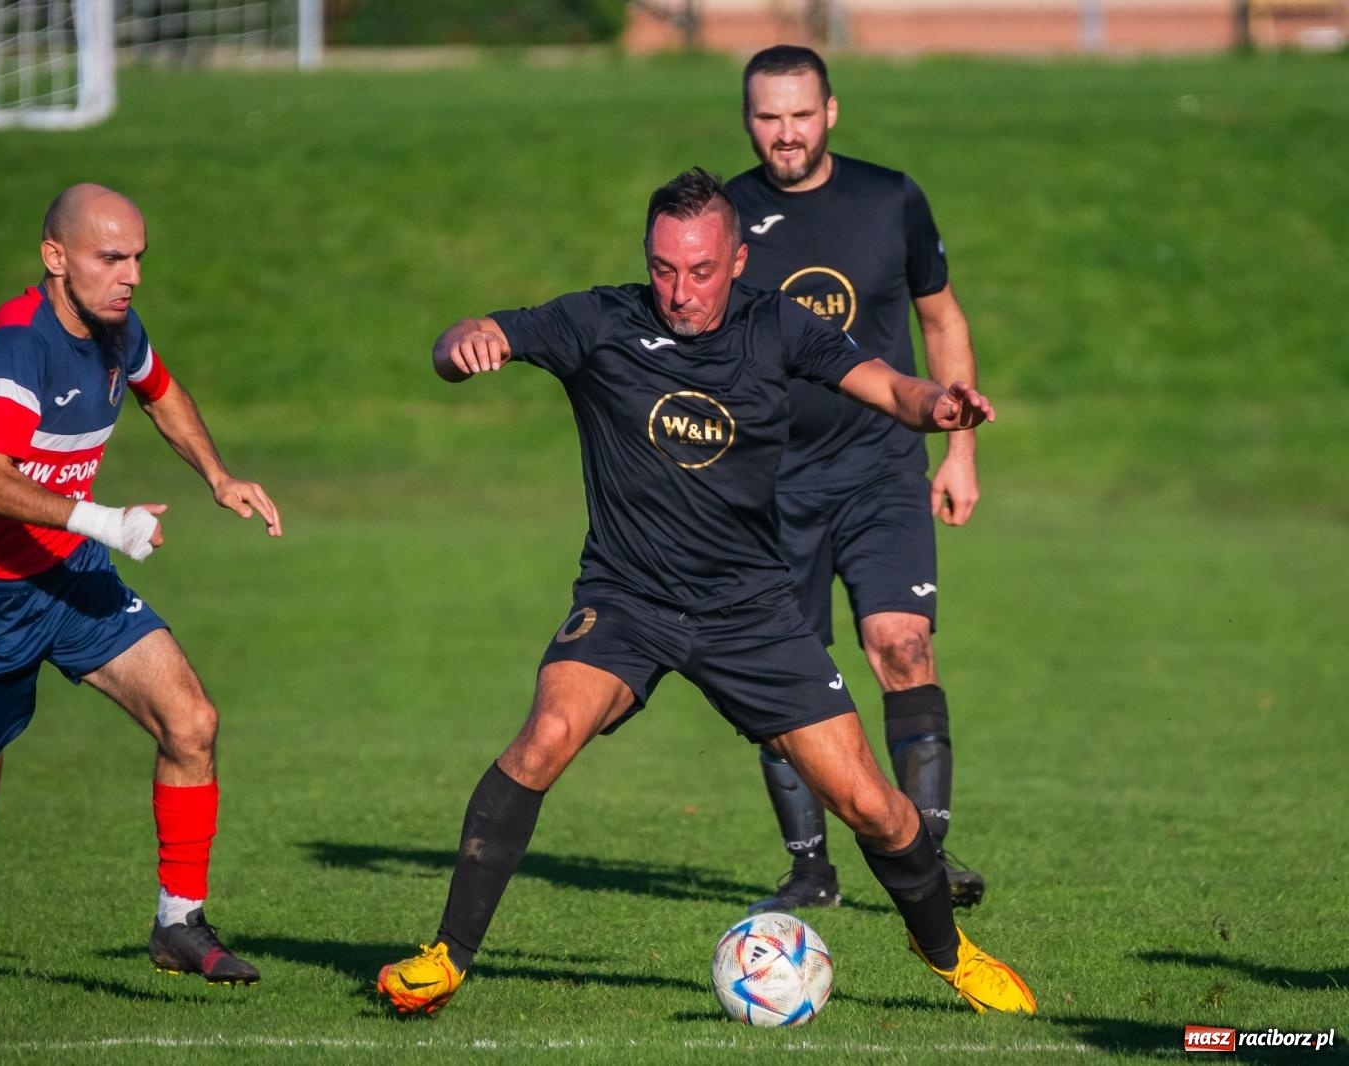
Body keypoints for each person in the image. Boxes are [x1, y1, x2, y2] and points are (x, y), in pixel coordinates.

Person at [375, 168, 1034, 1018]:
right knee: (545, 735)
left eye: (700, 270)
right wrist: (462, 348)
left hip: (751, 611)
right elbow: (468, 334)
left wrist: (938, 404)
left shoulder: (778, 325)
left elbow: (888, 386)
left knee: (871, 804)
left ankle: (949, 953)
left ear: (738, 258)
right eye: (663, 269)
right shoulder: (600, 321)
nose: (679, 291)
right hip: (628, 598)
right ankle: (446, 957)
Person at [0, 183, 281, 990]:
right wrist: (105, 521)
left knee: (192, 721)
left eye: (139, 257)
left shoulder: (116, 328)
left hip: (69, 578)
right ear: (55, 258)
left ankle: (179, 922)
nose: (131, 275)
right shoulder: (17, 345)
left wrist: (216, 475)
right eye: (111, 257)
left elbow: (160, 393)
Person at [725, 45, 987, 914]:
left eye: (801, 114)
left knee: (902, 646)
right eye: (769, 116)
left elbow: (940, 317)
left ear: (831, 111)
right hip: (770, 484)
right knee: (785, 674)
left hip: (880, 467)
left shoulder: (890, 198)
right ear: (747, 118)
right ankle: (811, 868)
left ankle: (926, 856)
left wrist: (960, 453)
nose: (786, 133)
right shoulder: (724, 219)